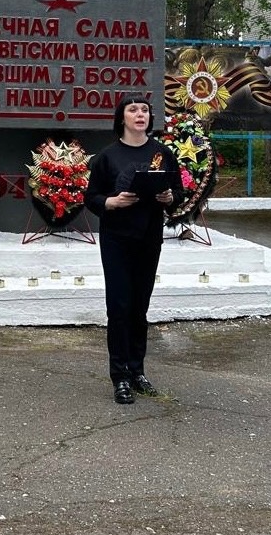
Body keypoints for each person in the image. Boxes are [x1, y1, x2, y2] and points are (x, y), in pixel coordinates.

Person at [85, 93, 185, 405]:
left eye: (144, 110)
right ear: (122, 118)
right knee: (119, 306)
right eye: (133, 110)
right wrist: (110, 202)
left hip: (149, 236)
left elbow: (178, 190)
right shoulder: (107, 156)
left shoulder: (161, 153)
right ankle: (120, 377)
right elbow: (91, 197)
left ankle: (137, 371)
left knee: (140, 306)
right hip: (116, 239)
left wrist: (170, 199)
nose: (139, 114)